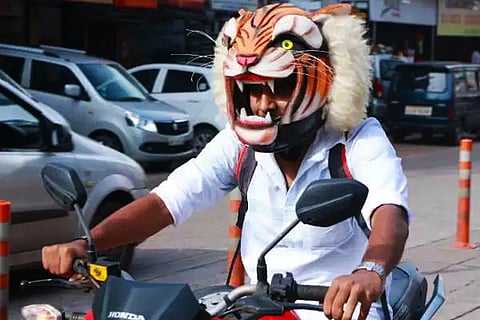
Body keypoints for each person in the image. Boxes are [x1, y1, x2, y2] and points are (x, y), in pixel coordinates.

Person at [42, 3, 410, 320]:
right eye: (252, 90)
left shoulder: (357, 140)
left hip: (340, 306)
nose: (263, 105)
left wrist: (369, 272)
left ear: (323, 83)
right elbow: (169, 199)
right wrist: (87, 243)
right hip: (255, 303)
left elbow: (389, 211)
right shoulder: (240, 144)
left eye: (279, 89)